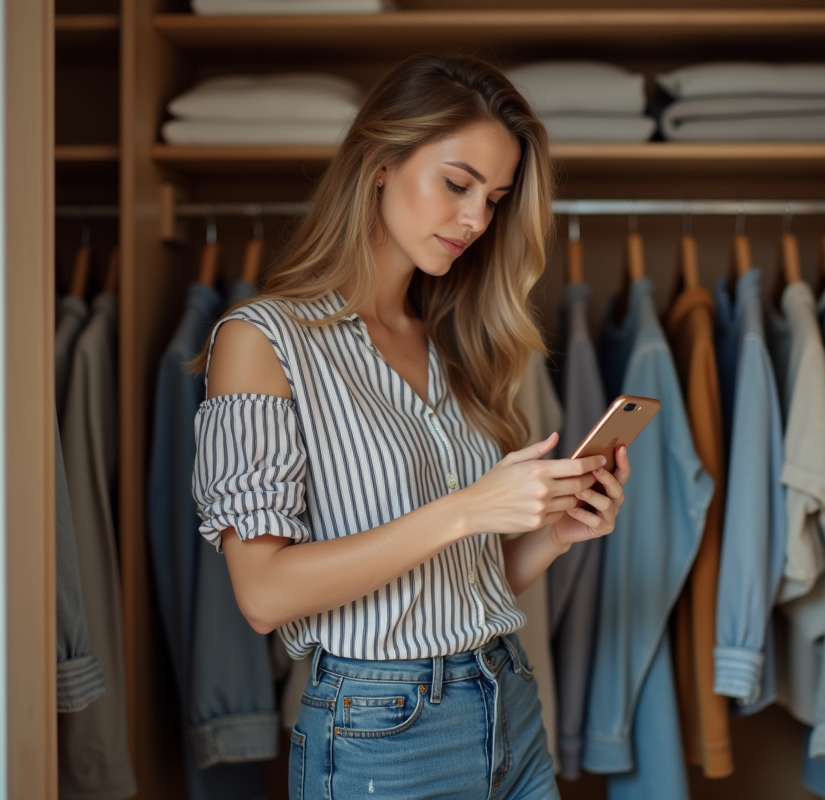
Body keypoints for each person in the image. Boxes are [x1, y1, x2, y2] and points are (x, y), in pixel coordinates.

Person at [191, 54, 632, 800]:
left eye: (494, 198)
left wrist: (555, 533)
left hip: (508, 698)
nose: (476, 219)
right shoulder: (262, 341)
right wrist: (468, 509)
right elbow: (262, 594)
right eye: (457, 184)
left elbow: (458, 584)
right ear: (379, 165)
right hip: (382, 734)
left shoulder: (454, 342)